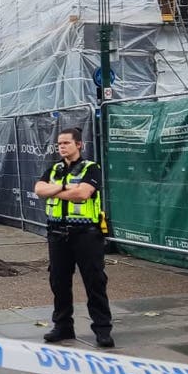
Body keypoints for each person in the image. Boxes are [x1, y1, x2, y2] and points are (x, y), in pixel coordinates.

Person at [33, 127, 114, 349]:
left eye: (66, 143)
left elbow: (83, 193)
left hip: (86, 234)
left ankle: (102, 329)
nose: (61, 147)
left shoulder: (91, 168)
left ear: (79, 145)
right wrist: (66, 186)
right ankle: (62, 326)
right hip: (57, 234)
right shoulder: (54, 169)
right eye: (59, 143)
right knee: (59, 282)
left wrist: (55, 190)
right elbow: (39, 189)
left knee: (94, 281)